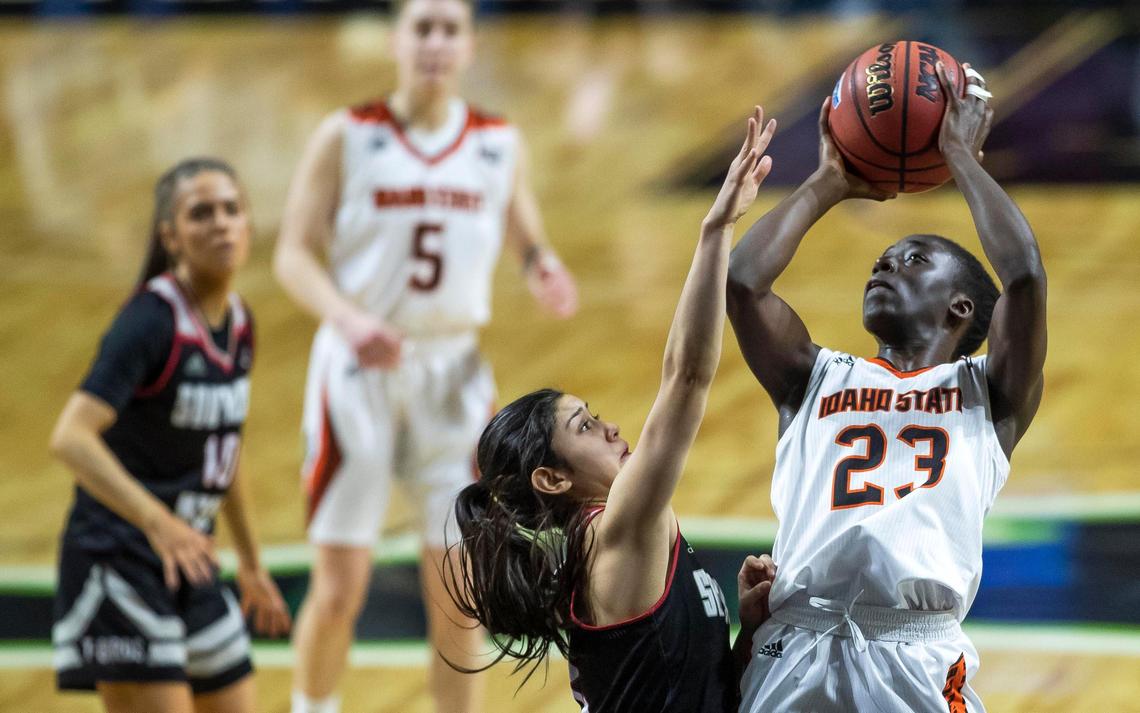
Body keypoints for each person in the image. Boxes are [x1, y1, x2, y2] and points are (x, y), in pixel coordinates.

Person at [271, 1, 579, 711]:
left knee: (459, 594)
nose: (436, 42)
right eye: (423, 27)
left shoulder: (499, 142)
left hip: (455, 375)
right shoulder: (347, 135)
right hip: (357, 371)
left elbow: (522, 227)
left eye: (450, 29)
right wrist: (347, 319)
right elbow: (291, 253)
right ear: (395, 40)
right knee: (341, 582)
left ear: (470, 46)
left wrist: (543, 265)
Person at [728, 62, 1045, 712]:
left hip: (914, 655)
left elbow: (1025, 278)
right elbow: (741, 282)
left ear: (960, 307)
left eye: (913, 261)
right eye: (881, 260)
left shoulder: (989, 392)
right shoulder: (812, 375)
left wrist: (958, 155)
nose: (885, 266)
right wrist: (827, 181)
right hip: (795, 642)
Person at [447, 108, 779, 712]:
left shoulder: (613, 540)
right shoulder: (618, 528)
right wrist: (715, 232)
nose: (611, 427)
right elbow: (688, 377)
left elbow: (691, 693)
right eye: (584, 426)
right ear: (552, 478)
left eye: (593, 414)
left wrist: (749, 631)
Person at [48, 158, 292, 713]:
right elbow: (70, 438)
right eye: (201, 213)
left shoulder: (240, 321)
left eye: (232, 210)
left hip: (191, 555)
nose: (221, 224)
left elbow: (225, 450)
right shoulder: (149, 321)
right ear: (171, 236)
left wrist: (252, 562)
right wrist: (160, 523)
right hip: (118, 556)